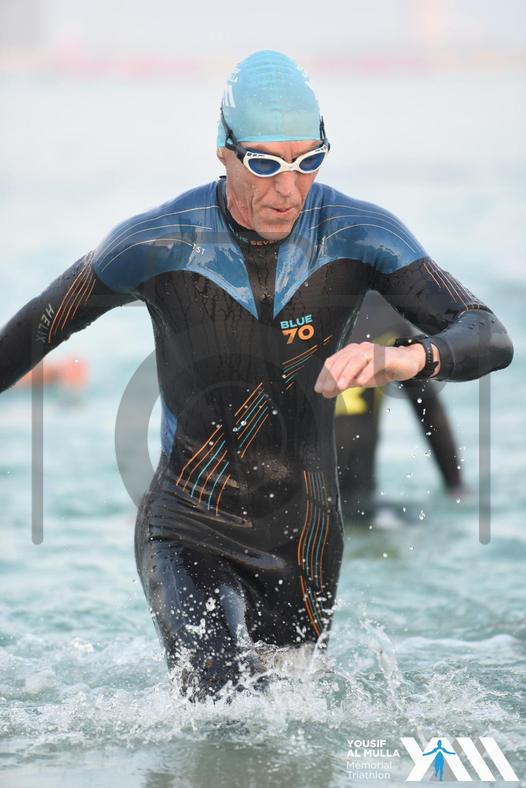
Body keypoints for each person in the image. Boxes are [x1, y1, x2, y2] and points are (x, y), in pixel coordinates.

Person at [0, 50, 513, 700]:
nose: (288, 189)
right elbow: (36, 330)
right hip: (187, 524)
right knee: (217, 697)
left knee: (288, 725)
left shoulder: (360, 234)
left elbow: (488, 333)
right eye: (266, 164)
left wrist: (409, 359)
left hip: (306, 539)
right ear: (224, 151)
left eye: (308, 161)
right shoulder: (158, 242)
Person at [335, 290, 465, 523]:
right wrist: (456, 487)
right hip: (365, 507)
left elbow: (429, 410)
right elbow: (430, 411)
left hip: (300, 509)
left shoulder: (283, 318)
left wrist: (455, 485)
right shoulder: (384, 312)